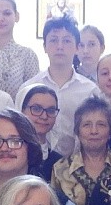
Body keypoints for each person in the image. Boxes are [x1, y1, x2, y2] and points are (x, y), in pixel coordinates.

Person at [15, 16, 97, 157]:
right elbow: (18, 129)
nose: (60, 46)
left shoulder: (90, 91)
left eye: (66, 41)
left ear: (77, 48)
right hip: (34, 161)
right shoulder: (28, 88)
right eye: (53, 40)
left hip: (77, 164)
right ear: (45, 47)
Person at [50, 95, 111, 205]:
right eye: (87, 125)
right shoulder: (60, 169)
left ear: (110, 131)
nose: (94, 131)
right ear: (78, 131)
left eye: (101, 124)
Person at [0, 0, 39, 98]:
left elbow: (33, 96)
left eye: (7, 13)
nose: (0, 18)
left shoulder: (28, 55)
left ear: (17, 16)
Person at [20, 84, 64, 181]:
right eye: (36, 109)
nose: (44, 116)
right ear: (21, 110)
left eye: (51, 110)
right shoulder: (11, 154)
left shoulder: (58, 162)